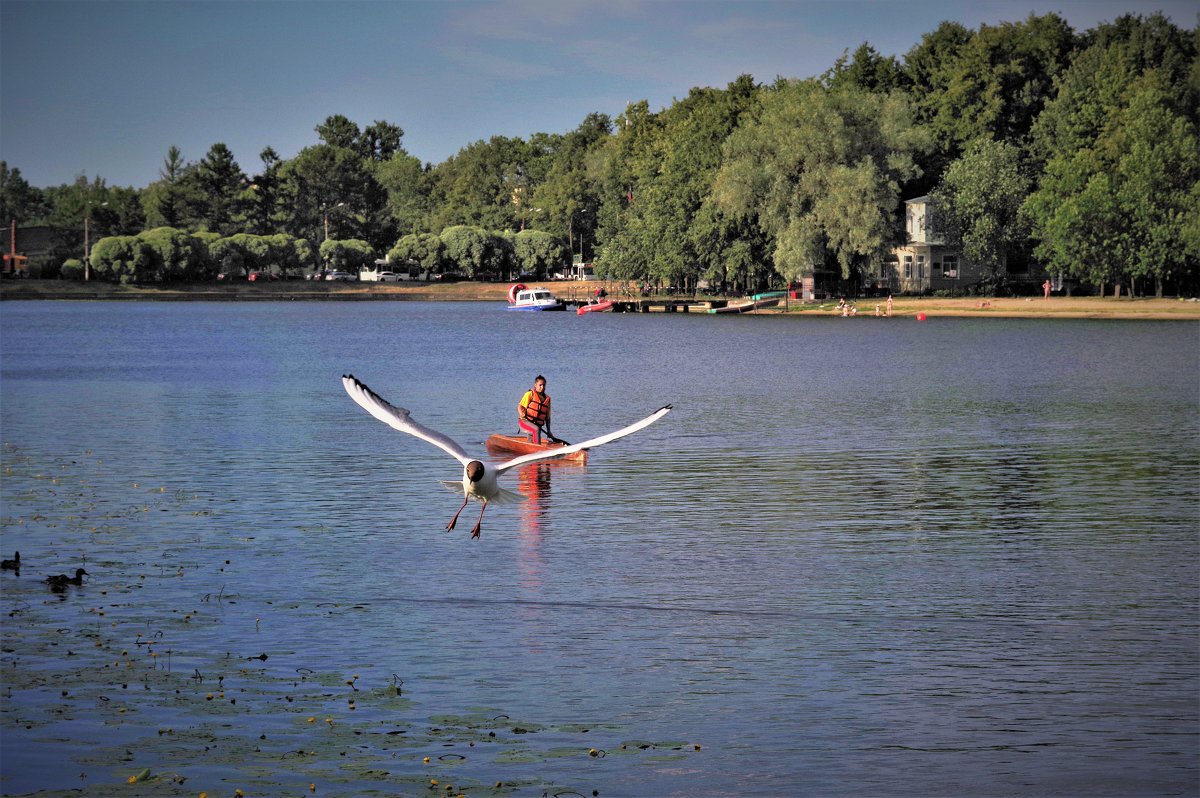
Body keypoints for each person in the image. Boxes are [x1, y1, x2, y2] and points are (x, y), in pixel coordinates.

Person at [518, 375, 553, 444]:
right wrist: (521, 414)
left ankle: (529, 448)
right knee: (536, 429)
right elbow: (520, 406)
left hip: (536, 425)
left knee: (534, 431)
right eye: (540, 385)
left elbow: (547, 417)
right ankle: (538, 450)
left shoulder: (547, 399)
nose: (542, 387)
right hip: (524, 422)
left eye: (544, 385)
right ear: (535, 385)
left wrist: (548, 431)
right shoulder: (530, 394)